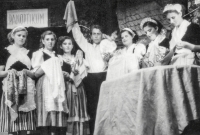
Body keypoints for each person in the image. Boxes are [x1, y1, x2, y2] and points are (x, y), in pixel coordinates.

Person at [71, 23, 107, 134]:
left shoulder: (107, 46)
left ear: (102, 35)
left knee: (105, 106)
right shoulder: (88, 47)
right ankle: (93, 132)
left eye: (98, 34)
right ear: (90, 36)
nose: (96, 36)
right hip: (91, 79)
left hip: (105, 77)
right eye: (94, 34)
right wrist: (74, 24)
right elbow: (78, 37)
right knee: (92, 107)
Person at [0, 26, 36, 135]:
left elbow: (34, 74)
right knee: (13, 126)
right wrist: (10, 72)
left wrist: (26, 72)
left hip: (26, 91)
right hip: (10, 90)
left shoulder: (30, 53)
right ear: (13, 36)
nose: (21, 38)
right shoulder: (6, 51)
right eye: (19, 35)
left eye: (24, 36)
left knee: (24, 127)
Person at [31, 31, 68, 135]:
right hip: (44, 84)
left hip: (56, 85)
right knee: (45, 112)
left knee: (56, 114)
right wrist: (49, 65)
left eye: (52, 39)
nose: (50, 42)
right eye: (47, 39)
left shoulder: (57, 56)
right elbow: (35, 73)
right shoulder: (39, 53)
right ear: (43, 41)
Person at [57, 36, 90, 135]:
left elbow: (84, 73)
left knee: (79, 110)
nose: (67, 46)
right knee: (69, 111)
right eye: (65, 44)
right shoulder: (59, 58)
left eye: (70, 44)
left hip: (78, 87)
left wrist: (78, 68)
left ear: (73, 46)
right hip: (66, 88)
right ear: (61, 46)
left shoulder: (78, 58)